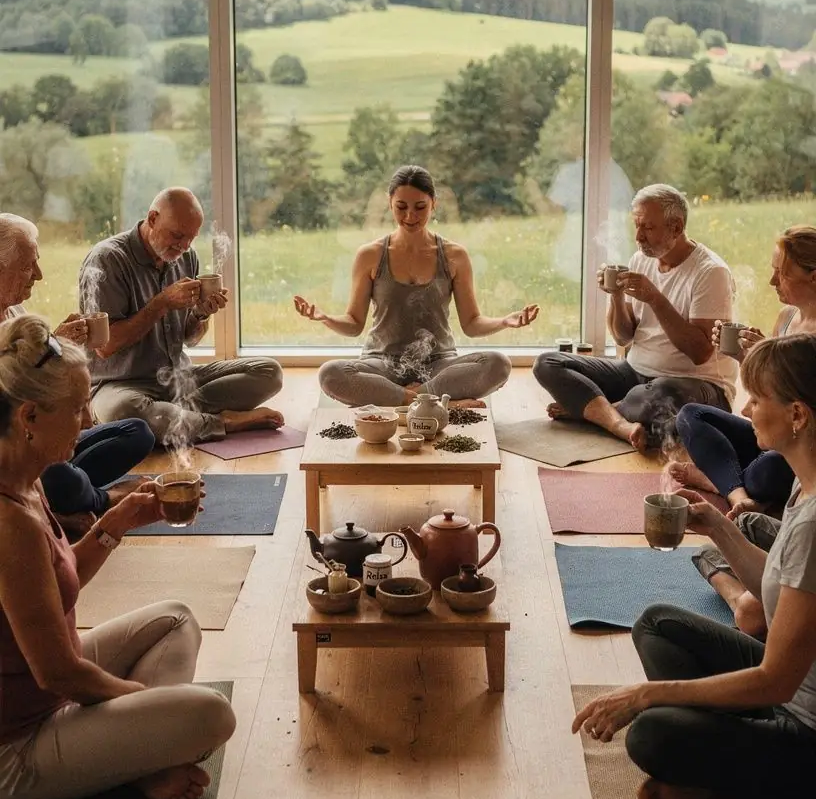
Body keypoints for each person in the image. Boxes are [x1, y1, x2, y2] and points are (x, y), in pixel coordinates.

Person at [573, 333, 816, 799]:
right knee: (657, 623)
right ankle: (718, 761)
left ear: (797, 415)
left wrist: (647, 695)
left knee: (651, 733)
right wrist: (717, 526)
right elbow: (779, 587)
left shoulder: (813, 524)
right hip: (790, 691)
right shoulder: (803, 485)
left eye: (757, 399)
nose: (745, 410)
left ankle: (716, 774)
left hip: (804, 731)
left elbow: (775, 683)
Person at [0, 313, 236, 799]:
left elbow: (53, 587)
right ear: (29, 418)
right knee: (212, 714)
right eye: (77, 409)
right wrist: (145, 701)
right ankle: (140, 756)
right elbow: (58, 674)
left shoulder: (27, 476)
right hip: (17, 746)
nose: (90, 422)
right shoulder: (8, 523)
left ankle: (134, 754)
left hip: (55, 694)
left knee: (176, 619)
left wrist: (117, 522)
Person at [669, 228, 816, 635]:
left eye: (782, 273)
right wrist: (745, 359)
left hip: (798, 446)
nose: (772, 281)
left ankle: (742, 601)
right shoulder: (787, 318)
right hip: (783, 435)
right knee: (692, 416)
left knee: (768, 470)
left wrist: (764, 364)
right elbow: (764, 401)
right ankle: (734, 490)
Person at [294, 165, 538, 406]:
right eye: (401, 207)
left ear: (434, 204)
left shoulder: (455, 255)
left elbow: (472, 324)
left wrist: (505, 321)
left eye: (420, 207)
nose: (410, 216)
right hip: (382, 363)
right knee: (330, 374)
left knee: (498, 364)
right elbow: (354, 323)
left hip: (438, 365)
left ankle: (401, 397)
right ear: (390, 203)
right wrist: (324, 317)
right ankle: (437, 402)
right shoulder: (370, 255)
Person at [533, 184, 736, 452]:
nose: (639, 236)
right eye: (636, 225)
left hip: (694, 386)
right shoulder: (641, 260)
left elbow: (699, 353)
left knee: (655, 396)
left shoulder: (711, 272)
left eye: (648, 227)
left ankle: (594, 410)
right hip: (636, 373)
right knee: (547, 364)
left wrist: (655, 298)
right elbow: (623, 336)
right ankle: (619, 422)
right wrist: (616, 296)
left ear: (676, 227)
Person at [81, 188, 284, 445]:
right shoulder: (107, 260)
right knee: (123, 413)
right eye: (177, 235)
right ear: (152, 219)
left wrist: (200, 314)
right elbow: (105, 346)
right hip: (121, 386)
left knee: (269, 372)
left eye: (191, 238)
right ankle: (223, 422)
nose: (184, 246)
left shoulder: (186, 257)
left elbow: (190, 339)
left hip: (179, 378)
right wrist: (162, 303)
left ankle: (176, 417)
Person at [0, 212, 154, 534]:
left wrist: (58, 344)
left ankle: (58, 502)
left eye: (36, 262)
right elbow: (12, 392)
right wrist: (54, 345)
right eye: (27, 266)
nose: (38, 275)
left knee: (138, 433)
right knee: (57, 474)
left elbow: (37, 377)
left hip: (42, 433)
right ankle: (103, 499)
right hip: (12, 449)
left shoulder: (14, 311)